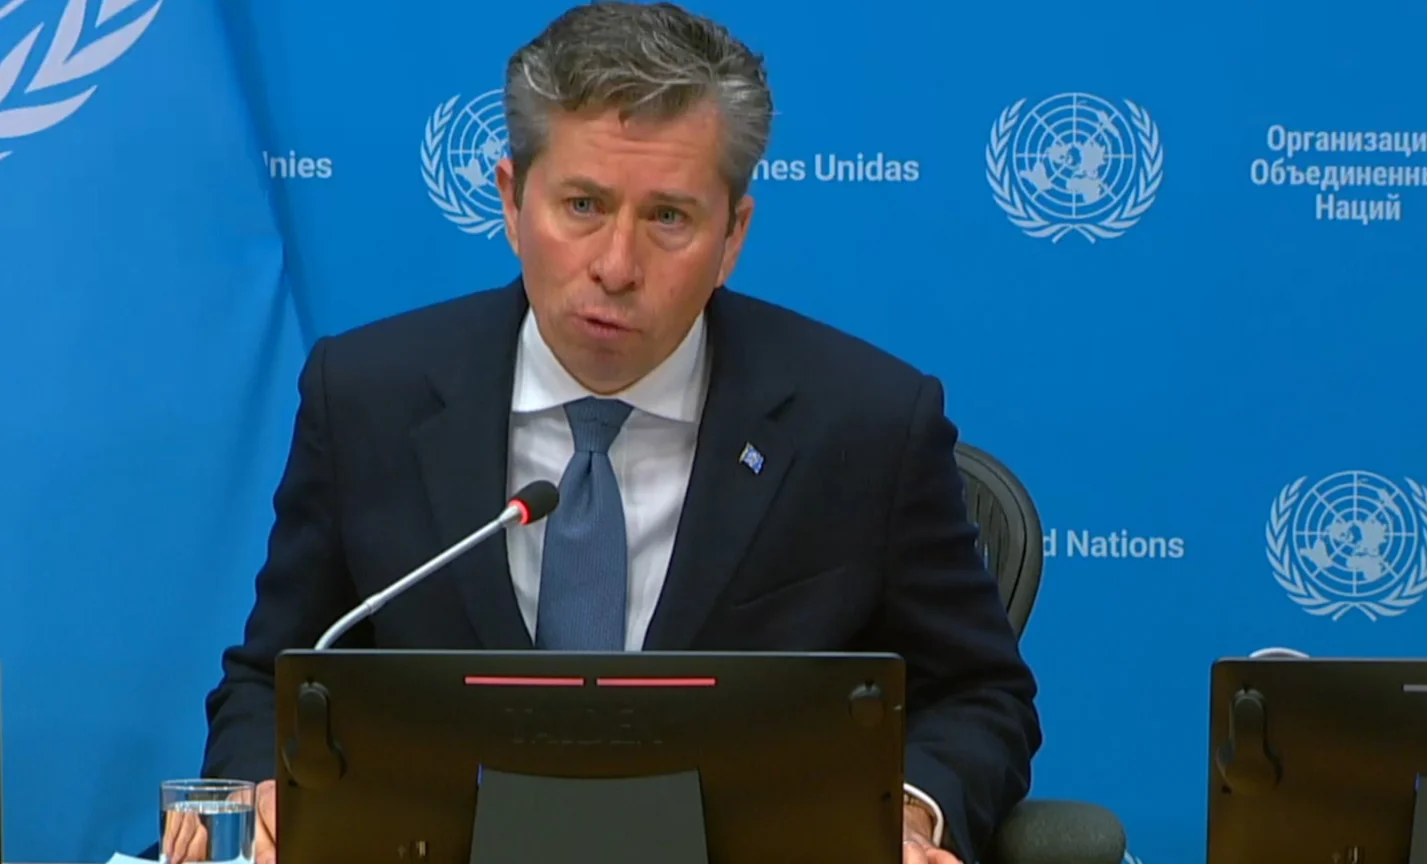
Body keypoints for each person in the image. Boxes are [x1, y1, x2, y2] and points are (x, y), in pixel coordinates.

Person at [190, 3, 1042, 863]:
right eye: (583, 205)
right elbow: (277, 676)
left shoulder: (864, 424)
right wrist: (263, 791)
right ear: (513, 200)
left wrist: (908, 811)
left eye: (669, 217)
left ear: (733, 235)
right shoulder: (367, 396)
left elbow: (979, 694)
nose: (616, 265)